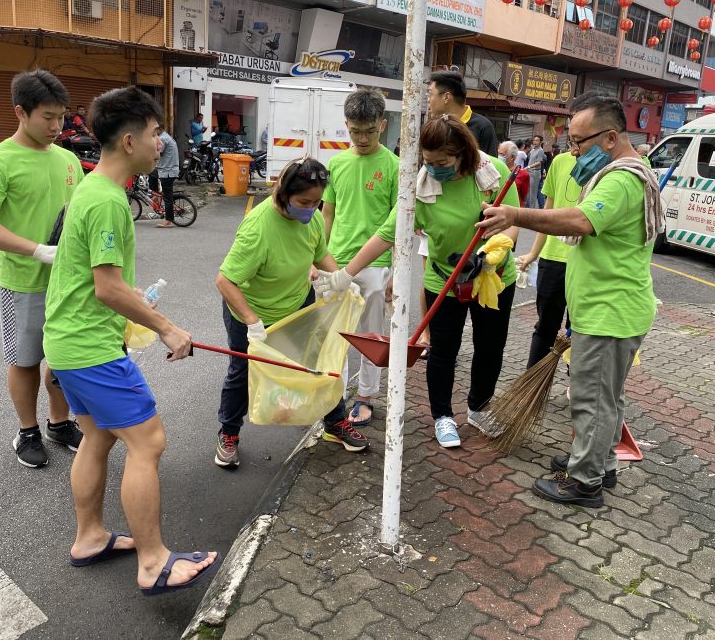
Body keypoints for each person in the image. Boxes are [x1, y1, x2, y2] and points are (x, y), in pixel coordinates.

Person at [43, 86, 218, 595]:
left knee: (97, 436)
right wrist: (167, 328)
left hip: (71, 342)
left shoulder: (94, 190)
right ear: (127, 140)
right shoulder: (108, 202)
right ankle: (153, 562)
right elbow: (107, 286)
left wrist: (134, 304)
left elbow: (95, 280)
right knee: (149, 442)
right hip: (91, 349)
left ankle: (91, 537)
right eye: (155, 133)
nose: (160, 142)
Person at [477, 93, 663, 508]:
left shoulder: (621, 180)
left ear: (611, 137)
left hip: (609, 311)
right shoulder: (630, 170)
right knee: (606, 397)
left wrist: (516, 215)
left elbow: (581, 219)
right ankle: (599, 463)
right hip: (611, 308)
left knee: (591, 399)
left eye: (579, 142)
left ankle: (584, 482)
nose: (573, 150)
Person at [319, 116, 520, 449]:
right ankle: (442, 416)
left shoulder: (492, 172)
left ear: (463, 154)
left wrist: (495, 251)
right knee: (442, 351)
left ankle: (479, 408)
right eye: (428, 161)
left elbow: (513, 221)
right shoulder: (421, 189)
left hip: (493, 278)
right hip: (445, 280)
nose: (434, 168)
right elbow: (386, 235)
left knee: (490, 347)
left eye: (442, 162)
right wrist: (344, 274)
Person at [214, 157, 369, 469]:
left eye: (316, 202)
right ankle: (228, 433)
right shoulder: (258, 229)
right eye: (304, 202)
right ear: (283, 194)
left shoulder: (309, 219)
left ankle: (335, 422)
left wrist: (340, 278)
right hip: (252, 311)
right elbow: (225, 280)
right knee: (243, 372)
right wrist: (252, 321)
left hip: (296, 304)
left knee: (317, 361)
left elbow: (320, 253)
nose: (311, 209)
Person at [0, 69, 83, 468]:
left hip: (67, 281)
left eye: (61, 117)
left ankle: (59, 423)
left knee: (63, 357)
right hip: (23, 281)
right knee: (25, 359)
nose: (56, 126)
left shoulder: (68, 160)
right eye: (47, 117)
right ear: (21, 112)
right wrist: (37, 251)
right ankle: (27, 430)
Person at [321, 88, 398, 426]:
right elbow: (326, 215)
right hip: (334, 264)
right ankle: (334, 396)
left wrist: (397, 271)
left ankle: (365, 397)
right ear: (346, 125)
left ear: (382, 124)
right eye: (355, 131)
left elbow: (400, 224)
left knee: (370, 337)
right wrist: (316, 259)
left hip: (376, 268)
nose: (362, 138)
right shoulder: (336, 163)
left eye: (369, 130)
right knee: (333, 336)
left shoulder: (396, 167)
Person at [515, 149, 579, 368]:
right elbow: (547, 212)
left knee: (580, 330)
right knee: (545, 327)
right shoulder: (560, 161)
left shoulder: (610, 167)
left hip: (586, 263)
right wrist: (534, 253)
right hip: (552, 259)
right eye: (572, 140)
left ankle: (577, 384)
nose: (576, 147)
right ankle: (532, 383)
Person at [427, 71, 498, 156]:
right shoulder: (437, 127)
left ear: (446, 97)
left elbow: (491, 167)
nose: (428, 100)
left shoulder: (483, 127)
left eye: (430, 94)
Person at [150, 124, 179, 228]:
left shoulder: (163, 138)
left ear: (159, 129)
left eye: (154, 130)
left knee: (167, 197)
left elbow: (157, 153)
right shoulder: (166, 136)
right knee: (151, 173)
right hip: (168, 169)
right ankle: (156, 195)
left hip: (168, 171)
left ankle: (168, 220)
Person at [498, 141, 531, 206]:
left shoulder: (523, 174)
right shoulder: (496, 170)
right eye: (498, 153)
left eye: (502, 154)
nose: (499, 157)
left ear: (512, 157)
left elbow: (524, 198)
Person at [526, 135, 547, 209]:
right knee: (528, 191)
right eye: (534, 140)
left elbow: (539, 162)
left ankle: (531, 209)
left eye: (537, 140)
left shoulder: (540, 151)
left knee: (533, 193)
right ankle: (527, 207)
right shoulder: (533, 150)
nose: (535, 142)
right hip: (529, 172)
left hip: (535, 173)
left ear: (541, 142)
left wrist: (529, 166)